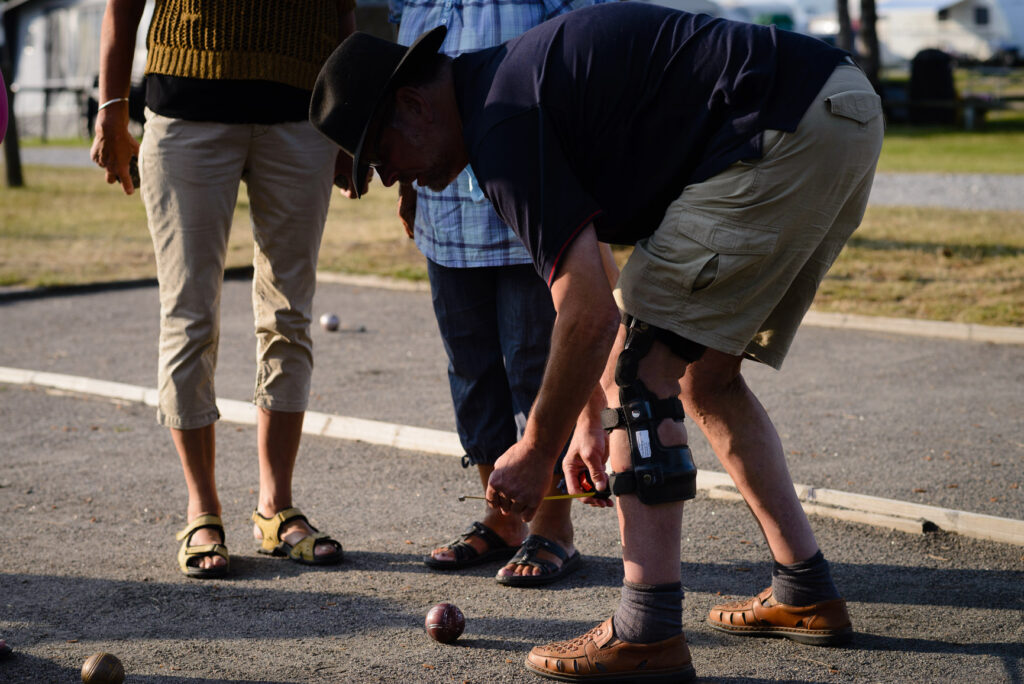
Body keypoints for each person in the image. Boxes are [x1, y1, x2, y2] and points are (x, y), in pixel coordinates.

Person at [310, 4, 883, 681]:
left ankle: (647, 631)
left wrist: (537, 447)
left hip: (779, 127)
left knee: (642, 372)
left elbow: (587, 316)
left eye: (382, 156)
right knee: (703, 378)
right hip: (832, 107)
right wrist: (587, 423)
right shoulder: (507, 91)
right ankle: (805, 588)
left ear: (415, 104)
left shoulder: (501, 125)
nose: (392, 179)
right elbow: (599, 281)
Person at [91, 0, 362, 579]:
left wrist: (349, 120)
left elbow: (343, 11)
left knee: (289, 313)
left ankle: (275, 506)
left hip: (301, 116)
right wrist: (111, 107)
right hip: (187, 110)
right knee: (190, 315)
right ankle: (202, 510)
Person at [389, 0, 608, 585]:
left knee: (535, 364)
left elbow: (581, 58)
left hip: (527, 207)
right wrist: (409, 181)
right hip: (445, 212)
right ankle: (501, 518)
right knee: (470, 367)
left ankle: (551, 527)